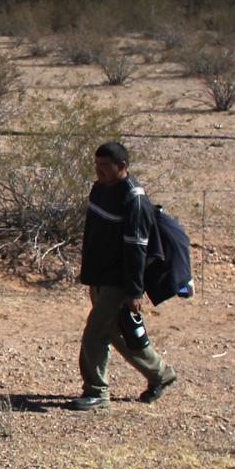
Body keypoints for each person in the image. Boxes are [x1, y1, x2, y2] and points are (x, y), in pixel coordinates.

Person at [68, 142, 178, 410]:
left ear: (123, 167)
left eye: (105, 166)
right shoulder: (100, 188)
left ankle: (96, 392)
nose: (99, 171)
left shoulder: (134, 200)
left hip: (119, 281)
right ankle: (160, 374)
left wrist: (134, 291)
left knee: (95, 334)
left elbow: (136, 250)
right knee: (116, 332)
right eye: (97, 165)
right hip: (99, 276)